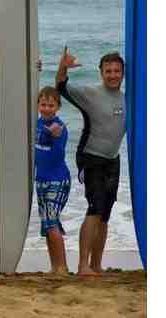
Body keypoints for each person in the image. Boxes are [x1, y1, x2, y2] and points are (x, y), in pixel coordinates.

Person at [55, 47, 126, 276]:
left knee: (105, 214)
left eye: (117, 71)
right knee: (95, 208)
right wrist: (63, 67)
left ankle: (96, 264)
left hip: (113, 160)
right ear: (101, 73)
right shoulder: (90, 94)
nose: (113, 75)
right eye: (108, 71)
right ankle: (83, 265)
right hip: (90, 157)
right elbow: (61, 88)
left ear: (123, 74)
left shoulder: (129, 99)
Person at [34, 86, 70, 274]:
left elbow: (58, 156)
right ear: (38, 105)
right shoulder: (35, 125)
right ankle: (54, 266)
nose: (47, 108)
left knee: (52, 221)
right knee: (47, 224)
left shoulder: (60, 128)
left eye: (51, 105)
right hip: (41, 181)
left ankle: (62, 267)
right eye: (43, 104)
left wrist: (55, 137)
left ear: (57, 107)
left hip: (58, 180)